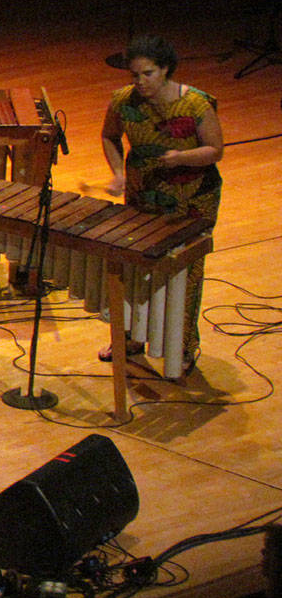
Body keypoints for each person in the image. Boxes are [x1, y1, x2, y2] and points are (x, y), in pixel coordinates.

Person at [99, 35, 222, 374]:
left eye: (147, 74)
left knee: (185, 271)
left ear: (166, 70)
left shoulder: (196, 105)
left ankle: (182, 347)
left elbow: (215, 150)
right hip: (143, 192)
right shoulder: (123, 100)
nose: (139, 82)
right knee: (135, 264)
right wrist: (119, 173)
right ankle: (133, 336)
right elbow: (109, 136)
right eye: (134, 75)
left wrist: (182, 157)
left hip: (192, 198)